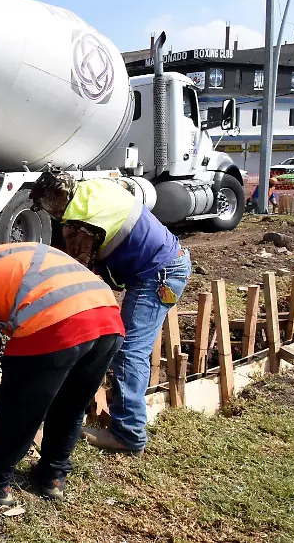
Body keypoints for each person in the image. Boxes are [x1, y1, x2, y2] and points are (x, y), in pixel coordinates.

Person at [0, 240, 124, 505]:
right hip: (108, 322)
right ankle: (52, 476)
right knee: (71, 406)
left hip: (55, 324)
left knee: (19, 406)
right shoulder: (21, 251)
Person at [29, 172, 190, 455]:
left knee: (129, 351)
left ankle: (128, 435)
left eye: (48, 208)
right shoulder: (93, 189)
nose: (50, 215)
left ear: (55, 202)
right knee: (126, 347)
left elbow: (78, 272)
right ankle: (126, 424)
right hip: (163, 264)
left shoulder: (81, 223)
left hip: (157, 274)